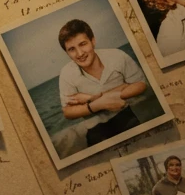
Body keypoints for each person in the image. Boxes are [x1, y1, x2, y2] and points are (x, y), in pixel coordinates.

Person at [57, 18, 148, 147]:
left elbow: (141, 84)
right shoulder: (66, 74)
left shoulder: (117, 56)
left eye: (83, 44)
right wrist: (97, 104)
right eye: (71, 49)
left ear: (93, 41)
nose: (79, 53)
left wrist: (93, 98)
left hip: (126, 116)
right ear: (66, 52)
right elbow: (67, 112)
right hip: (96, 129)